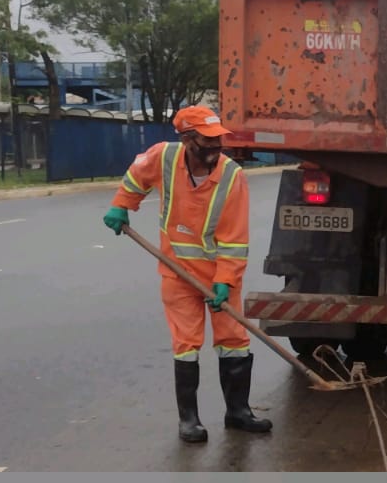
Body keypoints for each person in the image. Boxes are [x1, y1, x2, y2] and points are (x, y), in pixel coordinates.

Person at [103, 106, 273, 442]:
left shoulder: (231, 176)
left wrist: (224, 280)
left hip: (220, 278)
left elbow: (234, 239)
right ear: (186, 139)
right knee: (186, 344)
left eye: (218, 140)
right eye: (207, 140)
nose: (215, 147)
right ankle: (189, 420)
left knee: (235, 342)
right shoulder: (163, 158)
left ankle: (238, 412)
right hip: (177, 272)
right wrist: (122, 204)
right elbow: (136, 177)